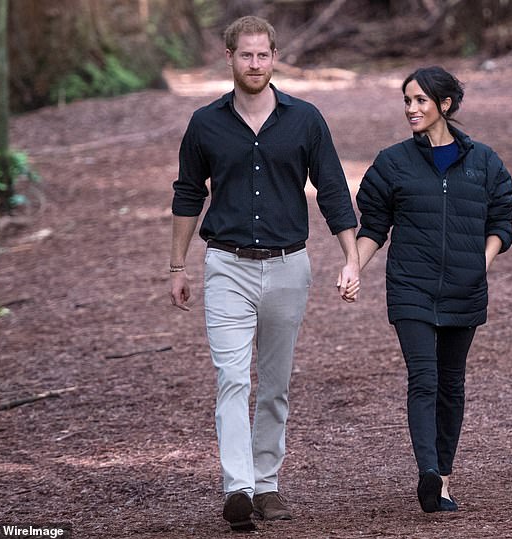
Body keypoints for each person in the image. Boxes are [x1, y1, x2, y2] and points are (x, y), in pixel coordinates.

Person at [169, 15, 360, 531]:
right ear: (228, 57)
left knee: (273, 384)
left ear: (275, 58)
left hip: (287, 268)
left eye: (263, 55)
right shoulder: (205, 124)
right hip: (226, 266)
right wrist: (177, 265)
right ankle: (239, 487)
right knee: (232, 378)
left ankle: (268, 483)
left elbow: (334, 190)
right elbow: (188, 193)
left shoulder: (305, 120)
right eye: (245, 55)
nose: (254, 64)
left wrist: (350, 257)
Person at [347, 66, 512, 513]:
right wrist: (353, 267)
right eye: (406, 101)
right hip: (411, 287)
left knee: (451, 384)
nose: (411, 109)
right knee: (424, 377)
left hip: (465, 289)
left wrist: (479, 264)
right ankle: (428, 474)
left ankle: (443, 476)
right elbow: (374, 226)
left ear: (444, 105)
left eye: (420, 100)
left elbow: (501, 223)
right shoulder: (393, 162)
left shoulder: (485, 162)